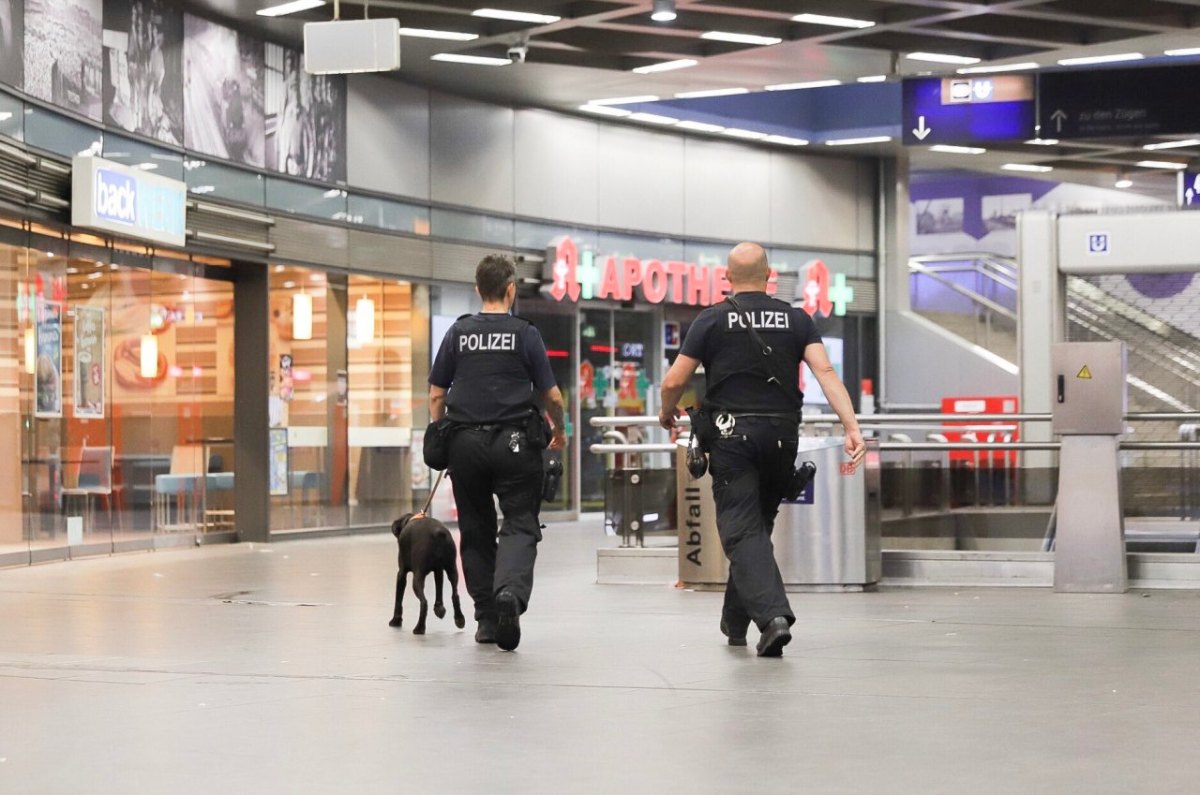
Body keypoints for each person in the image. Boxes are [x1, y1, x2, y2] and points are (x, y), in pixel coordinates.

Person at [659, 242, 865, 658]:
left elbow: (672, 382)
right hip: (782, 439)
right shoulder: (796, 318)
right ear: (771, 275)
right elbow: (824, 371)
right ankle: (735, 621)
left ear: (727, 278)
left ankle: (773, 618)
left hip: (733, 438)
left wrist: (668, 413)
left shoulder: (712, 319)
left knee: (740, 529)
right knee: (755, 527)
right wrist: (851, 425)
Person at [428, 255, 567, 651]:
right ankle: (509, 594)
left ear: (477, 289)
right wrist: (561, 431)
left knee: (475, 529)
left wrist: (440, 431)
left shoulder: (458, 333)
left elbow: (438, 392)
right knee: (520, 523)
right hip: (516, 443)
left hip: (464, 445)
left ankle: (487, 618)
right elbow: (551, 395)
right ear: (511, 289)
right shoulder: (524, 333)